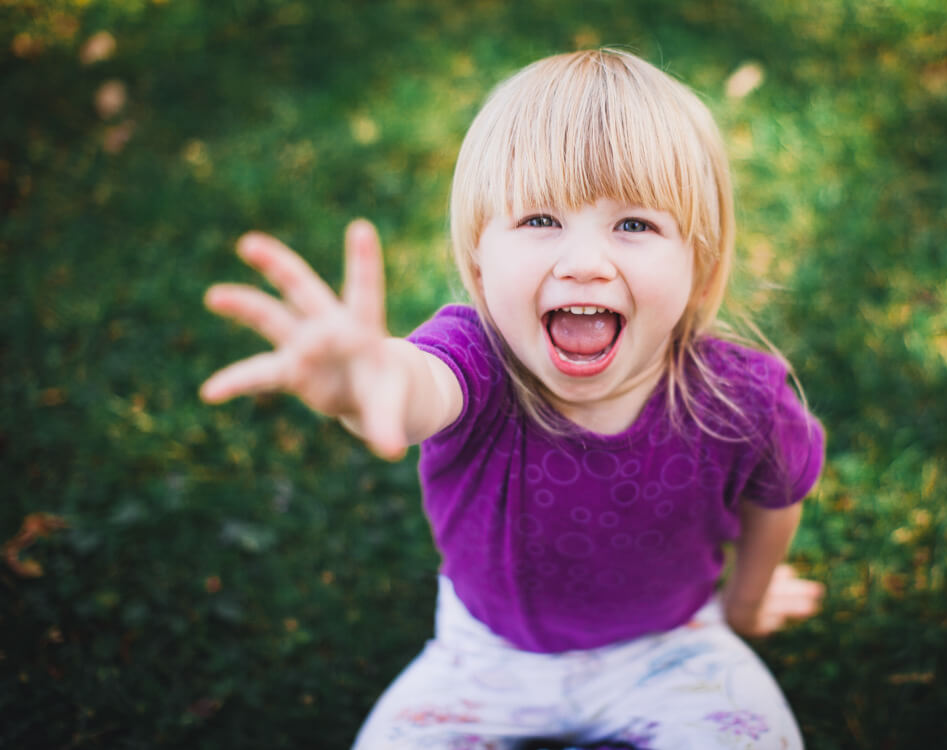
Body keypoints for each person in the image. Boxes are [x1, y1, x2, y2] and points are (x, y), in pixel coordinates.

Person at [201, 49, 826, 750]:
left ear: (698, 265)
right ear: (477, 261)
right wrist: (365, 380)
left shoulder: (740, 401)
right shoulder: (475, 361)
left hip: (671, 646)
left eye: (634, 225)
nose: (585, 261)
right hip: (482, 658)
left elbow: (775, 500)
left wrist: (743, 606)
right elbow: (417, 386)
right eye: (538, 220)